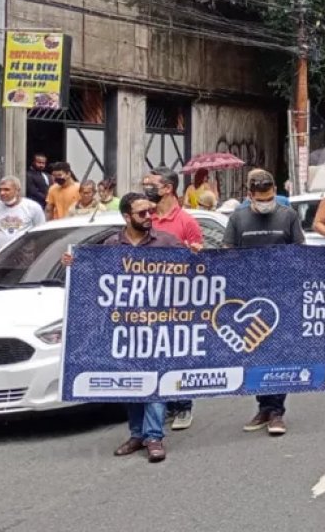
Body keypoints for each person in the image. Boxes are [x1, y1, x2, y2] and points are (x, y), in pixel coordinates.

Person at [93, 193, 183, 463]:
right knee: (131, 381)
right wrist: (72, 264)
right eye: (142, 213)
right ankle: (137, 434)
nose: (149, 217)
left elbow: (193, 272)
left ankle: (154, 436)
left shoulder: (166, 242)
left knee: (155, 379)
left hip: (158, 324)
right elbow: (97, 276)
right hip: (126, 326)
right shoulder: (111, 245)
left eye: (150, 212)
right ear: (126, 217)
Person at [225, 169, 305, 436]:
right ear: (249, 196)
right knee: (255, 354)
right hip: (248, 298)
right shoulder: (237, 219)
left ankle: (277, 412)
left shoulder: (288, 216)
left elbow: (301, 255)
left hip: (282, 296)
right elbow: (228, 256)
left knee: (279, 353)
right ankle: (263, 406)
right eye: (261, 198)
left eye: (270, 197)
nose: (266, 202)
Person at [143, 167, 204, 431]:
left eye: (151, 184)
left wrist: (194, 255)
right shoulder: (145, 218)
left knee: (179, 354)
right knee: (154, 354)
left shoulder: (186, 222)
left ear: (167, 188)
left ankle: (183, 406)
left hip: (179, 302)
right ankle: (163, 404)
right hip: (148, 301)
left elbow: (200, 261)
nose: (146, 188)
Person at [0, 177, 46, 263]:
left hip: (24, 260)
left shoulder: (33, 208)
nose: (2, 193)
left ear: (17, 190)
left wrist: (39, 261)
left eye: (7, 190)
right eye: (0, 190)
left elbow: (41, 235)